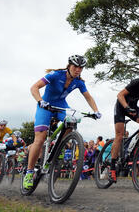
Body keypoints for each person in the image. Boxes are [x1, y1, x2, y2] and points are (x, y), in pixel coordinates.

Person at [23, 55, 102, 189]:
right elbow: (34, 88)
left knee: (72, 120)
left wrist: (96, 110)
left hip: (61, 106)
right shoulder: (55, 75)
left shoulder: (79, 82)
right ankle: (29, 173)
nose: (78, 70)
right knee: (40, 139)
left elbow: (88, 97)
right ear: (69, 66)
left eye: (81, 68)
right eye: (75, 67)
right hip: (45, 106)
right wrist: (40, 101)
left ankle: (58, 146)